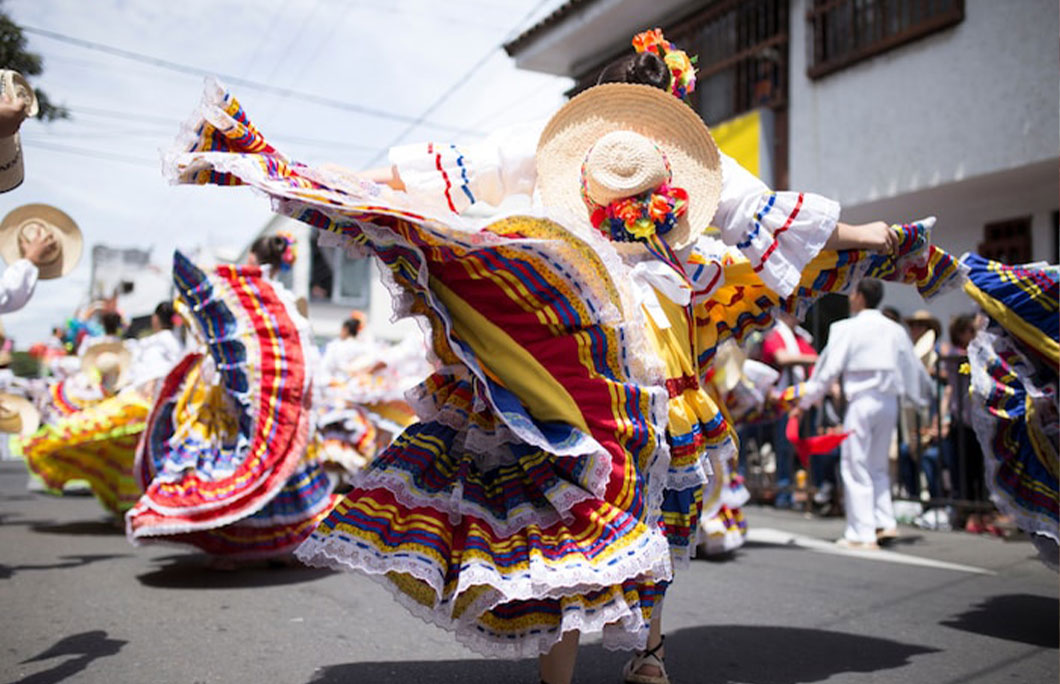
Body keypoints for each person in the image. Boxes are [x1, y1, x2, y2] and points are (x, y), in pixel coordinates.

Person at [163, 27, 961, 684]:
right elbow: (789, 225)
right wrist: (890, 242)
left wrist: (295, 173)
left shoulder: (549, 150)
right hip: (640, 369)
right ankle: (644, 652)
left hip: (576, 367)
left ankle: (596, 664)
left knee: (584, 516)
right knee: (635, 515)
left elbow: (409, 184)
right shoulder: (692, 170)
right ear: (672, 106)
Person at [126, 234, 337, 564]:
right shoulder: (286, 302)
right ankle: (278, 548)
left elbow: (205, 321)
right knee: (275, 463)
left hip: (225, 392)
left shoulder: (237, 290)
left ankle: (227, 548)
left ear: (253, 257)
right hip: (273, 397)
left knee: (227, 462)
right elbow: (303, 361)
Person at [795, 279, 932, 550]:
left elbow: (827, 370)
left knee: (855, 464)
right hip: (888, 401)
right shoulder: (894, 329)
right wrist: (918, 401)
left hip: (862, 400)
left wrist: (806, 400)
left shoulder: (847, 328)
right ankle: (884, 520)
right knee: (878, 465)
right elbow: (912, 368)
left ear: (858, 297)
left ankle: (862, 532)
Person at [759, 310, 818, 508]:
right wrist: (813, 360)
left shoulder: (800, 337)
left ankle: (802, 493)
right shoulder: (775, 334)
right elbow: (782, 357)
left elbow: (813, 357)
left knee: (801, 447)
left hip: (802, 402)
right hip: (781, 403)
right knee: (784, 447)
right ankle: (784, 492)